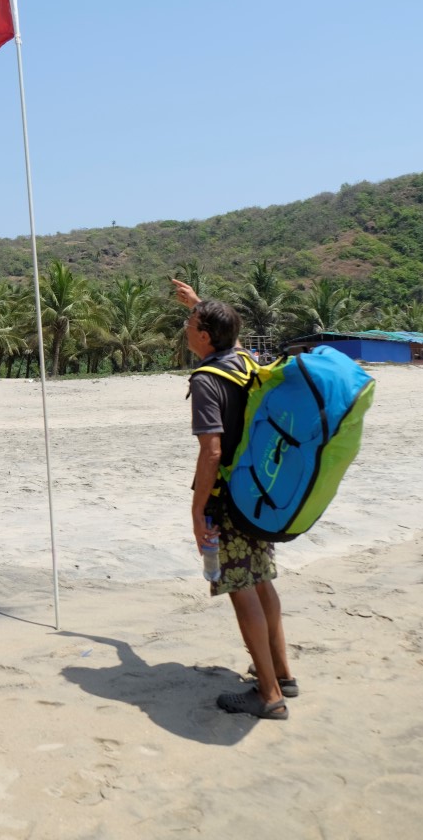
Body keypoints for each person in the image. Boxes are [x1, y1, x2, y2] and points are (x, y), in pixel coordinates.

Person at [172, 279, 296, 721]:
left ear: (206, 337)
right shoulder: (244, 360)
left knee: (242, 590)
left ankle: (269, 695)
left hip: (228, 501)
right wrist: (198, 303)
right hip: (258, 492)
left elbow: (211, 451)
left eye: (190, 324)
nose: (185, 329)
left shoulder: (207, 380)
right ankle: (282, 673)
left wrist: (197, 511)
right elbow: (234, 339)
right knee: (262, 581)